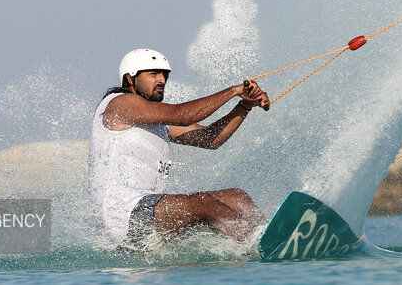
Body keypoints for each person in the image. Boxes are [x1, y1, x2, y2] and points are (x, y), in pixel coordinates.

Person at [88, 48, 270, 249]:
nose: (162, 80)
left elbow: (210, 139)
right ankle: (258, 244)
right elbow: (184, 115)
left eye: (164, 75)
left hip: (148, 208)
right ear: (130, 79)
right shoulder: (120, 104)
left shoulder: (155, 121)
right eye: (153, 74)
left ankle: (269, 233)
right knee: (205, 204)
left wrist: (243, 107)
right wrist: (234, 91)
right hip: (123, 214)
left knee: (236, 196)